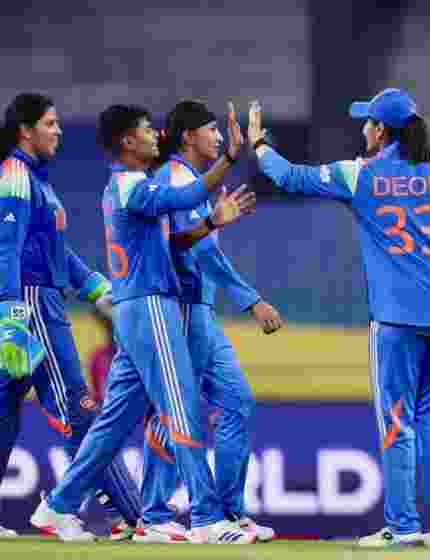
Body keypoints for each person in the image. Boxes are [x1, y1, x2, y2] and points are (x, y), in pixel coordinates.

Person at [248, 89, 430, 548]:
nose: (363, 129)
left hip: (397, 316)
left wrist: (257, 145)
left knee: (395, 419)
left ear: (381, 130)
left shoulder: (361, 173)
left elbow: (289, 176)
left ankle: (402, 526)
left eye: (367, 122)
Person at [29, 102, 257, 544]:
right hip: (150, 306)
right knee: (182, 406)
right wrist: (231, 157)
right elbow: (184, 197)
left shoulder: (124, 186)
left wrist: (212, 221)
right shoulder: (133, 185)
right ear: (128, 141)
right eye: (148, 130)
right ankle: (208, 519)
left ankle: (59, 505)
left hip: (135, 309)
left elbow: (175, 235)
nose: (157, 135)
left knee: (115, 422)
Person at [135, 99, 283, 544]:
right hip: (180, 309)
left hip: (199, 309)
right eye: (211, 129)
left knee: (235, 403)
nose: (218, 137)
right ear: (188, 136)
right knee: (176, 413)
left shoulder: (188, 181)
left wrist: (214, 222)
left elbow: (193, 240)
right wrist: (251, 300)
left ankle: (227, 511)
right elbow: (198, 251)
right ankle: (155, 513)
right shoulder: (175, 178)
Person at [0, 92, 142, 540]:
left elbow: (55, 250)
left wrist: (96, 288)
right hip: (32, 303)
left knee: (4, 411)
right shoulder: (15, 176)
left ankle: (124, 513)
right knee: (78, 410)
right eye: (50, 123)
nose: (58, 131)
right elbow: (6, 248)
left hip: (33, 297)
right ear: (26, 131)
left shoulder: (35, 181)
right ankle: (132, 515)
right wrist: (11, 311)